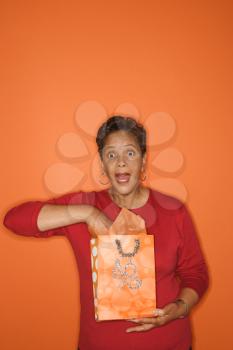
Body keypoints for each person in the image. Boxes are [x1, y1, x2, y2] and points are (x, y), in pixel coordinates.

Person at [3, 116, 208, 350]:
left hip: (169, 343)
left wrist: (180, 308)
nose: (121, 162)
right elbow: (14, 220)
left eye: (130, 153)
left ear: (143, 162)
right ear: (102, 164)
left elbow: (196, 273)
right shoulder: (83, 204)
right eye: (111, 155)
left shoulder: (173, 210)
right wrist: (89, 213)